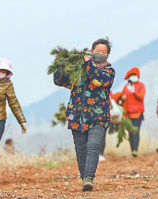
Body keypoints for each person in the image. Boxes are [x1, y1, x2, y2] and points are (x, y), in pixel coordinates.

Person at [53, 38, 115, 192]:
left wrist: (88, 64)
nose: (100, 53)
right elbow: (59, 80)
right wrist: (61, 63)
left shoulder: (108, 71)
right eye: (98, 51)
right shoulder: (78, 70)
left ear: (108, 55)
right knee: (81, 149)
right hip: (77, 115)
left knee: (93, 146)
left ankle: (89, 178)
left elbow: (97, 81)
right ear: (91, 51)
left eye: (104, 52)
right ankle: (84, 179)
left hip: (98, 117)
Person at [120, 67, 146, 157]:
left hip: (137, 112)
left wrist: (134, 92)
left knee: (136, 131)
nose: (133, 77)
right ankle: (132, 150)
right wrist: (122, 98)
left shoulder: (141, 85)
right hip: (128, 113)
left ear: (137, 76)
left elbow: (141, 97)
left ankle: (135, 150)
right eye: (131, 75)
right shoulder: (126, 87)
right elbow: (123, 96)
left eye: (134, 75)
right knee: (130, 132)